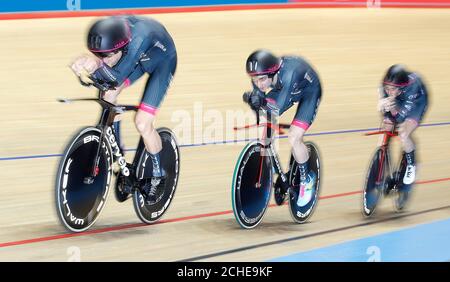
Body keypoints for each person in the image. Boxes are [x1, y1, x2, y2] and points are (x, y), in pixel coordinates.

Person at [70, 15, 177, 203]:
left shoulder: (137, 40)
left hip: (162, 61)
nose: (104, 59)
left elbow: (114, 77)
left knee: (142, 123)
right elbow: (106, 68)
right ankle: (116, 147)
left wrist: (95, 64)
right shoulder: (113, 38)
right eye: (99, 54)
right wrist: (89, 62)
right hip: (136, 57)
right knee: (108, 95)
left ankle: (158, 177)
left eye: (107, 56)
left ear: (121, 48)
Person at [244, 49, 322, 207]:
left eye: (262, 80)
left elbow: (277, 109)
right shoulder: (262, 75)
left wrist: (261, 102)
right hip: (285, 90)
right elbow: (263, 106)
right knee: (265, 138)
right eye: (254, 80)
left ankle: (307, 180)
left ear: (272, 73)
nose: (258, 84)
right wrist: (255, 102)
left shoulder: (288, 75)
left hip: (309, 91)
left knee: (294, 137)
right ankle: (273, 173)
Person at [377, 64, 428, 185]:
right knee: (386, 126)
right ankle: (383, 158)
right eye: (387, 88)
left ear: (401, 87)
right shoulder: (384, 88)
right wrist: (383, 108)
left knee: (403, 132)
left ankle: (411, 165)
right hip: (399, 99)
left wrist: (393, 108)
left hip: (417, 102)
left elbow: (400, 118)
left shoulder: (411, 90)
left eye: (393, 89)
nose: (389, 91)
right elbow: (384, 109)